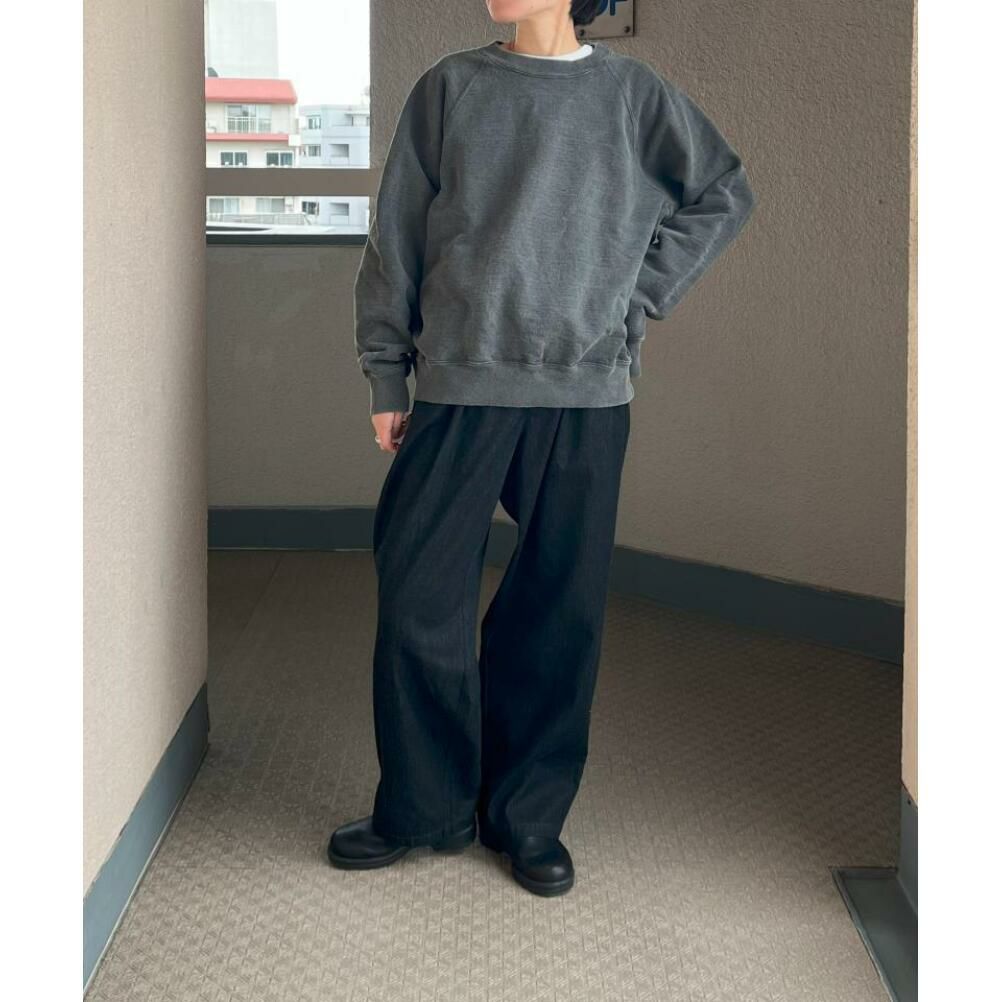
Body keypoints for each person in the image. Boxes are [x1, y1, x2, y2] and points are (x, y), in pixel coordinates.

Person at [327, 0, 756, 897]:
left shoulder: (634, 95)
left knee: (558, 611)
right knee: (417, 599)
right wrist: (385, 373)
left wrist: (634, 297)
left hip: (584, 392)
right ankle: (424, 807)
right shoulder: (452, 87)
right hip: (460, 382)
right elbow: (396, 234)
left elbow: (722, 191)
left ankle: (527, 817)